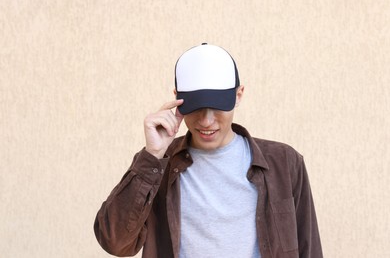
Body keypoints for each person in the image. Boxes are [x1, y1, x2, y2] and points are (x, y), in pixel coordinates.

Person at [94, 43, 323, 258]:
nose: (206, 120)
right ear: (178, 99)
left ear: (238, 95)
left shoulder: (284, 162)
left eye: (217, 106)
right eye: (196, 107)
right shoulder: (157, 164)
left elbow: (309, 248)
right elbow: (114, 241)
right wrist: (152, 156)